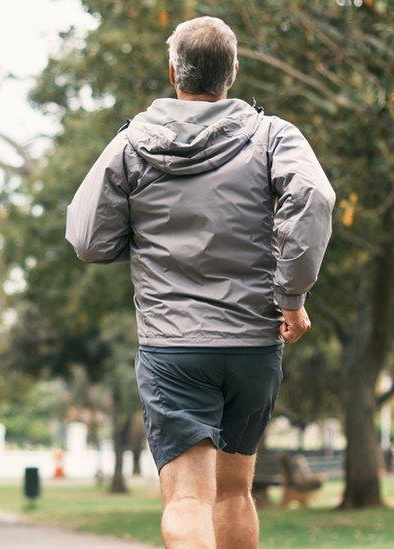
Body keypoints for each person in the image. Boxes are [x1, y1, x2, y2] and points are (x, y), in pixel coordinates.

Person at [65, 15, 335, 549]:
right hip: (253, 344)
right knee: (235, 495)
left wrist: (141, 248)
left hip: (174, 347)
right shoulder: (272, 136)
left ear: (173, 72)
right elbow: (313, 198)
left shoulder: (131, 145)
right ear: (232, 71)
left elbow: (86, 237)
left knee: (187, 499)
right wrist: (292, 296)